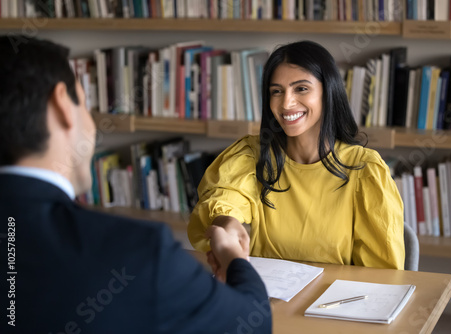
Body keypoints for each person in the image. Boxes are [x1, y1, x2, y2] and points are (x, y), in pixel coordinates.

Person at [0, 36, 271, 334]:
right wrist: (234, 258)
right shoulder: (136, 252)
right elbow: (252, 322)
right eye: (85, 105)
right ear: (63, 105)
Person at [188, 40, 405, 277]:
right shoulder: (252, 155)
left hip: (334, 307)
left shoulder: (365, 170)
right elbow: (225, 196)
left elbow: (382, 275)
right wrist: (227, 221)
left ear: (328, 91)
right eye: (276, 91)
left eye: (301, 88)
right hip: (267, 302)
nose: (286, 103)